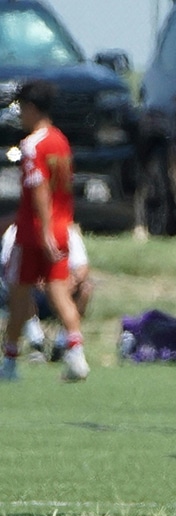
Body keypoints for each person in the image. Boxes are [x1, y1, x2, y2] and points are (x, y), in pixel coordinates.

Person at [1, 80, 88, 382]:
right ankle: (76, 354)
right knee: (59, 292)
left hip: (34, 232)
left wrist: (44, 230)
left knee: (19, 295)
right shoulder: (61, 141)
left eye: (22, 109)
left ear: (32, 108)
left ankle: (10, 361)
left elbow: (38, 189)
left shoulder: (32, 144)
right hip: (62, 228)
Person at [1, 222, 92, 362]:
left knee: (86, 289)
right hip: (30, 295)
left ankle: (62, 344)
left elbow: (82, 267)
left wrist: (70, 282)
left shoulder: (66, 231)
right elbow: (8, 270)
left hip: (61, 291)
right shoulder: (15, 231)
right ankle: (36, 343)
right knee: (20, 289)